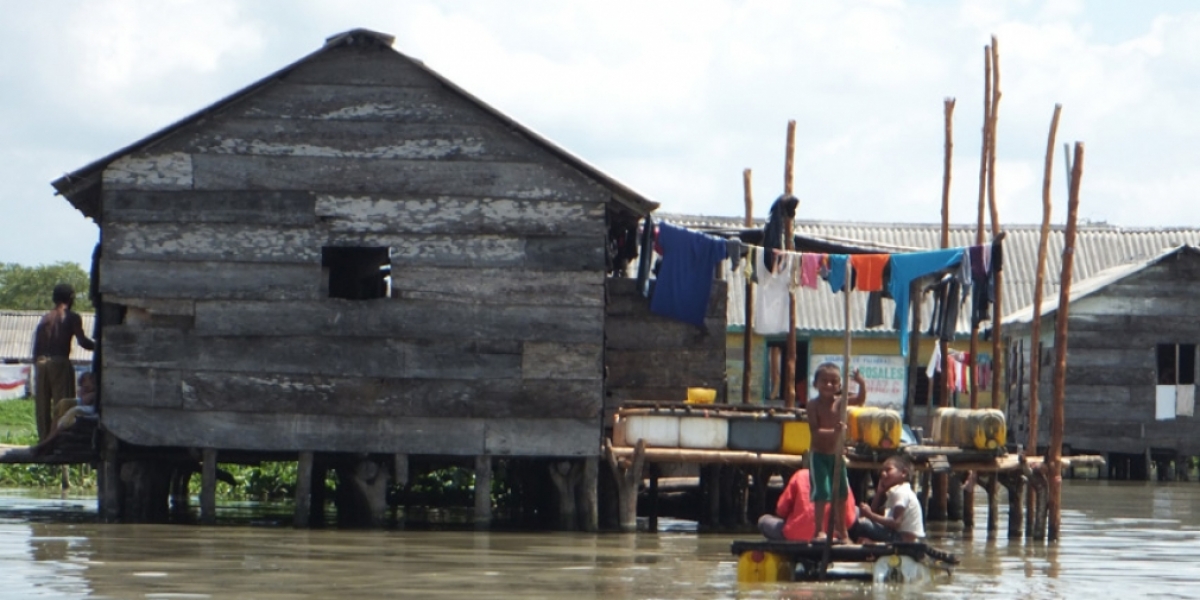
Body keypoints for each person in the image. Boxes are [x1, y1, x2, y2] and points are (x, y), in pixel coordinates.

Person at [807, 362, 867, 543]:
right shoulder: (813, 405)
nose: (829, 385)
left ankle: (843, 532)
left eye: (834, 382)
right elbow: (815, 431)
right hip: (819, 455)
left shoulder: (841, 402)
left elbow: (860, 400)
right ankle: (819, 530)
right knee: (822, 492)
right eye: (824, 381)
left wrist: (861, 383)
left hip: (837, 456)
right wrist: (834, 431)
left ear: (840, 385)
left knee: (841, 493)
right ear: (815, 384)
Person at [32, 284, 95, 440]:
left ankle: (43, 440)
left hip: (41, 362)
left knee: (42, 405)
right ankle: (56, 442)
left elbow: (37, 345)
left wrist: (37, 364)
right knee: (62, 404)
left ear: (54, 298)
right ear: (71, 298)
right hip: (59, 362)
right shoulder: (72, 317)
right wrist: (100, 347)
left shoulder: (46, 318)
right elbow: (83, 342)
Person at [758, 468, 858, 541]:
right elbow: (848, 521)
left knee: (763, 521)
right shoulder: (841, 478)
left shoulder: (800, 475)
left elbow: (781, 511)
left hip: (795, 536)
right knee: (856, 511)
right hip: (831, 537)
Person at [854, 455, 925, 543]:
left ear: (903, 473)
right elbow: (872, 513)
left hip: (902, 540)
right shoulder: (896, 491)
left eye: (888, 470)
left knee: (863, 524)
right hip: (895, 534)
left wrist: (870, 515)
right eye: (882, 471)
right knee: (856, 512)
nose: (883, 474)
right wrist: (879, 493)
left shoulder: (901, 492)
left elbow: (895, 523)